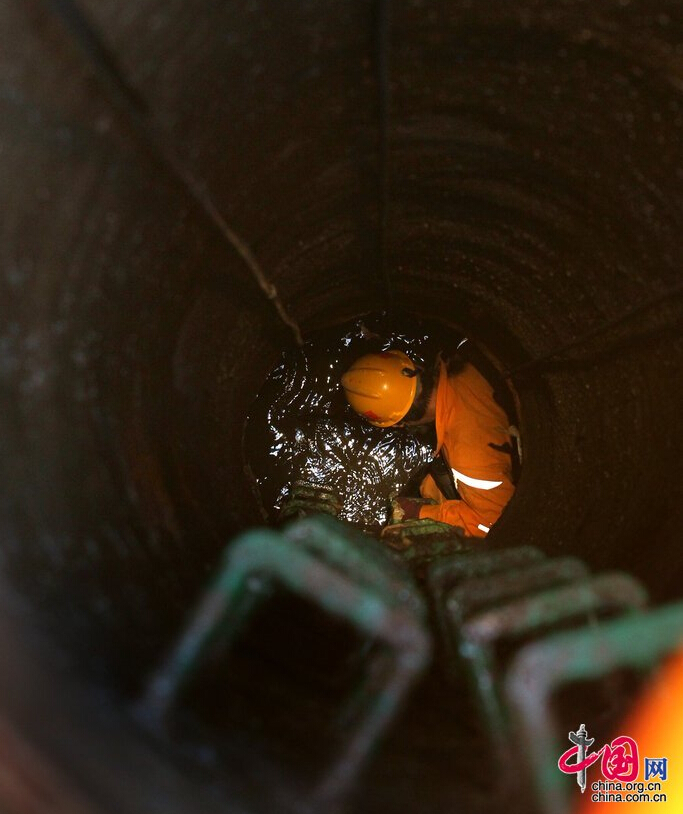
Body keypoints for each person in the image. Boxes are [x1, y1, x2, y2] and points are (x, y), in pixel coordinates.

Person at [340, 343, 516, 537]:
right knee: (430, 484)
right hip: (500, 428)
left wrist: (420, 513)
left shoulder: (468, 457)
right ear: (416, 367)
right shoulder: (463, 357)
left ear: (397, 424)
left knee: (431, 489)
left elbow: (492, 522)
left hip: (496, 486)